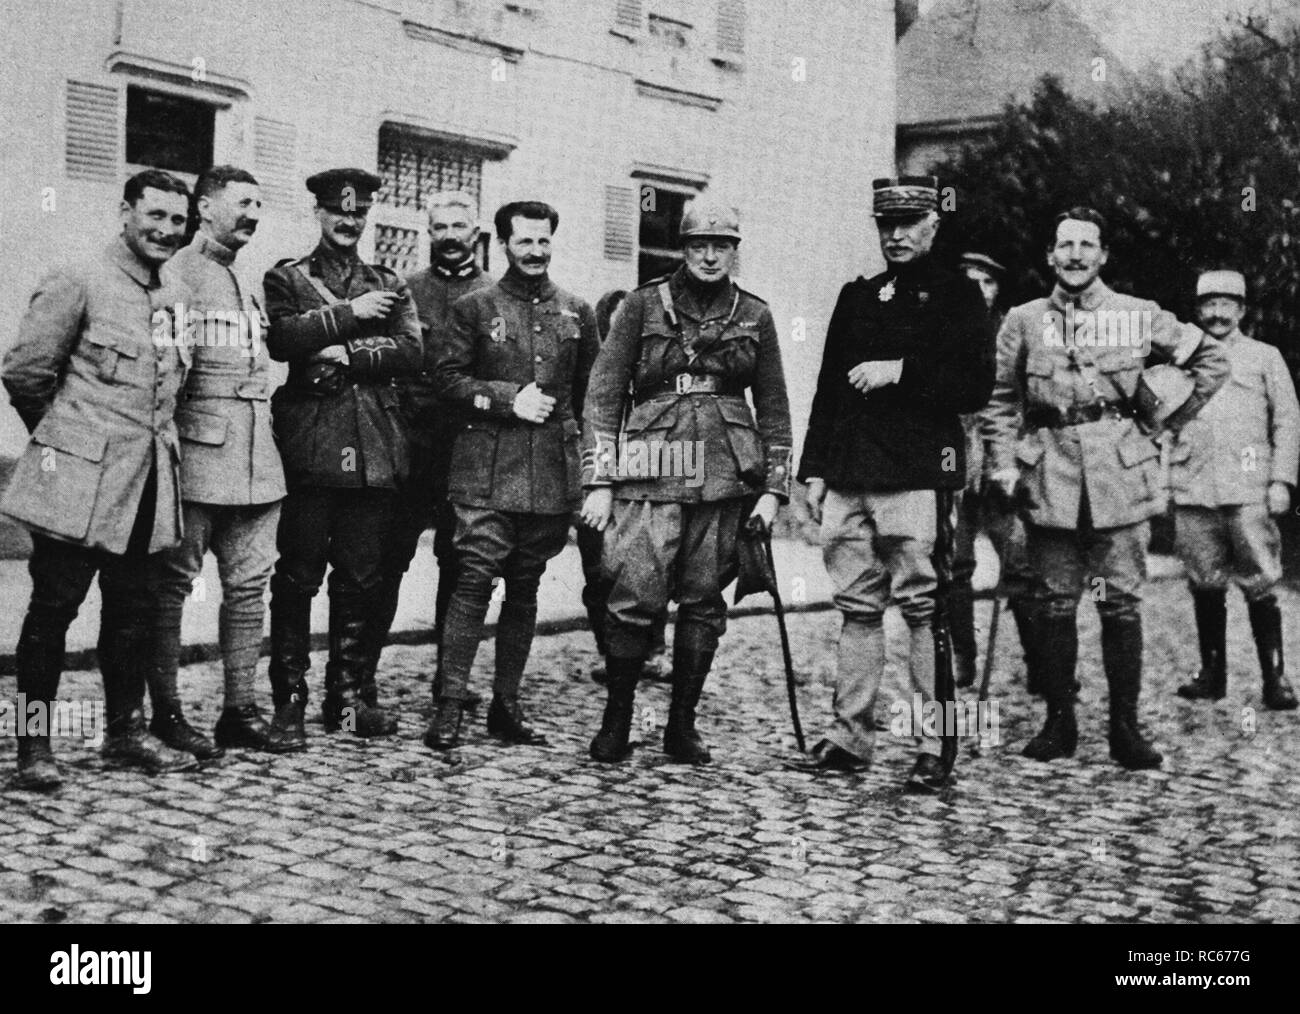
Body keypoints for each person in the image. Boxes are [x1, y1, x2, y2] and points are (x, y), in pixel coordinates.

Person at [984, 206, 1229, 770]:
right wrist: (1002, 463)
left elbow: (1211, 361)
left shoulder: (1139, 314)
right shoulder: (1022, 320)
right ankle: (1059, 723)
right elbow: (999, 400)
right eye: (1064, 245)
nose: (1074, 255)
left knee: (1120, 604)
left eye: (1086, 245)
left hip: (1121, 476)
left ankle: (1125, 729)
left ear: (1102, 256)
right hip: (1049, 478)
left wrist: (1165, 420)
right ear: (1050, 255)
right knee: (1053, 603)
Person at [790, 176, 994, 790]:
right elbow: (829, 387)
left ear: (934, 224)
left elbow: (974, 386)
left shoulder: (959, 297)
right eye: (886, 225)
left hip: (916, 473)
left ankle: (937, 745)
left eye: (908, 223)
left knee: (923, 607)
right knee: (856, 607)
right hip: (852, 474)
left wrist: (902, 371)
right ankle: (849, 739)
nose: (896, 234)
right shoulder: (859, 295)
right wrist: (815, 472)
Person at [1, 169, 200, 788]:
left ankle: (126, 734)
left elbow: (170, 386)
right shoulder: (79, 278)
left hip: (146, 485)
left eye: (178, 219)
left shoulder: (174, 298)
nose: (168, 229)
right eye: (156, 215)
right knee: (51, 614)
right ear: (125, 211)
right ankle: (34, 748)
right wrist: (69, 441)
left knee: (132, 613)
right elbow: (27, 372)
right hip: (77, 486)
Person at [581, 200, 793, 765]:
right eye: (699, 244)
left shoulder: (756, 315)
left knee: (704, 603)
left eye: (720, 245)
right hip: (652, 471)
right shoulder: (641, 305)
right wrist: (599, 480)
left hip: (725, 478)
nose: (708, 255)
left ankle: (682, 726)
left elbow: (773, 407)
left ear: (734, 250)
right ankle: (618, 720)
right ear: (683, 247)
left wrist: (774, 492)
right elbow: (603, 396)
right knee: (633, 597)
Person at [425, 200, 599, 751]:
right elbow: (446, 380)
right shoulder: (475, 308)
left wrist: (592, 472)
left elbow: (594, 396)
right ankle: (450, 705)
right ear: (502, 244)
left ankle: (506, 706)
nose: (535, 251)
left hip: (550, 471)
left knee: (525, 590)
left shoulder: (577, 311)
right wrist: (505, 399)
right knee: (474, 579)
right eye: (524, 241)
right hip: (485, 470)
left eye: (543, 240)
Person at [262, 168, 423, 746]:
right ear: (319, 213)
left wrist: (341, 351)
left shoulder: (390, 282)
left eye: (358, 213)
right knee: (299, 577)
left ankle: (348, 701)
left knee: (359, 579)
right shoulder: (287, 278)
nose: (348, 222)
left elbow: (412, 351)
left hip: (376, 448)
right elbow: (282, 338)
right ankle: (290, 706)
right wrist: (355, 314)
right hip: (312, 449)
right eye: (338, 212)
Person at [146, 166, 293, 759]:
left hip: (258, 463)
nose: (253, 213)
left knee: (248, 589)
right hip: (198, 459)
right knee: (172, 589)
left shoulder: (244, 278)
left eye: (259, 203)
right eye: (242, 203)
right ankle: (167, 715)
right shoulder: (178, 272)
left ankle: (240, 710)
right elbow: (164, 376)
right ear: (205, 208)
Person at [1170, 269, 1298, 710]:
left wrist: (1282, 480)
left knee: (1261, 580)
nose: (1218, 312)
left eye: (1228, 304)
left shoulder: (1265, 357)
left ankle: (1275, 678)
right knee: (1204, 582)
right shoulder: (1181, 359)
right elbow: (1162, 421)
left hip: (1249, 488)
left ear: (1242, 310)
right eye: (1210, 304)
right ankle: (1211, 673)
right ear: (1198, 309)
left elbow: (1287, 420)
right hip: (1192, 486)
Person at [386, 191, 493, 707]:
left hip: (471, 449)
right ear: (427, 234)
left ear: (476, 233)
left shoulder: (496, 294)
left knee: (461, 562)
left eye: (459, 226)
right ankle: (361, 676)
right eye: (439, 227)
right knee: (390, 556)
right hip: (413, 445)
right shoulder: (405, 291)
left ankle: (449, 678)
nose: (450, 236)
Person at [579, 288, 670, 686]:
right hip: (598, 483)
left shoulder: (654, 373)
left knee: (650, 565)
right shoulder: (595, 371)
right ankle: (608, 649)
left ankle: (655, 650)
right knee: (599, 571)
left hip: (643, 481)